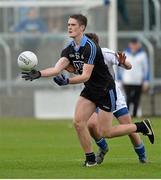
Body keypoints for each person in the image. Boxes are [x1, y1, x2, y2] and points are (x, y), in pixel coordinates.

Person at [21, 14, 154, 167]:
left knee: (106, 132)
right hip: (90, 90)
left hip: (105, 90)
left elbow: (85, 76)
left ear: (82, 28)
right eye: (68, 24)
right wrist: (38, 73)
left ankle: (141, 127)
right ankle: (90, 159)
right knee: (78, 122)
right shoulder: (69, 49)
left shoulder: (90, 47)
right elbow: (57, 68)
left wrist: (67, 81)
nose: (69, 27)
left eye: (73, 25)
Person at [66, 33, 148, 164]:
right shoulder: (81, 56)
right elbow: (77, 70)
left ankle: (142, 156)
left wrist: (123, 63)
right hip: (93, 94)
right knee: (91, 124)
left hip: (111, 93)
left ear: (94, 45)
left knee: (127, 126)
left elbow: (128, 65)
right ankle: (103, 148)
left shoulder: (106, 53)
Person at [118, 38, 150, 117]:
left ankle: (135, 115)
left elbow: (146, 68)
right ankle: (127, 115)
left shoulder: (143, 54)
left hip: (138, 81)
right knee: (128, 98)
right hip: (127, 80)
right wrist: (119, 79)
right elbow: (120, 67)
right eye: (133, 44)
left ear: (138, 45)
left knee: (136, 99)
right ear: (130, 45)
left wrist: (146, 80)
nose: (134, 46)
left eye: (136, 44)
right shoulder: (125, 53)